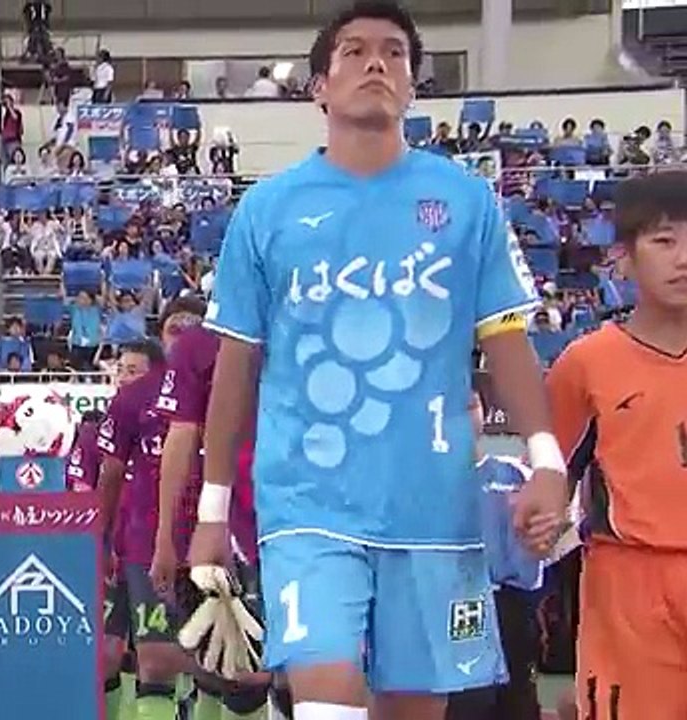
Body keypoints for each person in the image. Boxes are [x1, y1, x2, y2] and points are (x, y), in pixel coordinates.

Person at [189, 4, 569, 720]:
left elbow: (505, 338)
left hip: (431, 505)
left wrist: (545, 461)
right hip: (307, 502)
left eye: (394, 53)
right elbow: (236, 365)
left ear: (413, 85)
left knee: (413, 707)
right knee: (327, 693)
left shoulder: (466, 202)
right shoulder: (266, 211)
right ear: (319, 88)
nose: (376, 63)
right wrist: (213, 510)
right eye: (355, 51)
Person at [545, 171, 687, 720]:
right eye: (664, 240)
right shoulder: (587, 364)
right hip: (631, 589)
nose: (683, 259)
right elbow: (550, 479)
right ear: (622, 258)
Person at [98, 298, 239, 720]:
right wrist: (104, 539)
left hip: (225, 537)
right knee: (156, 661)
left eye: (192, 325)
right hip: (149, 542)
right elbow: (111, 473)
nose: (184, 334)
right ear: (161, 334)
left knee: (231, 667)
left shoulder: (234, 382)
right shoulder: (132, 399)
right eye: (175, 326)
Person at [153, 319, 283, 720]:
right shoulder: (199, 345)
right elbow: (181, 436)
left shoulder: (320, 316)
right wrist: (167, 536)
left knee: (324, 659)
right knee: (245, 667)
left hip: (325, 513)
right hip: (242, 524)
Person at [445, 389, 554, 720]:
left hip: (512, 605)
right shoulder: (427, 481)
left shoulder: (515, 474)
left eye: (472, 406)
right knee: (468, 703)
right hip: (458, 605)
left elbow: (549, 535)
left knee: (518, 700)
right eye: (457, 409)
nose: (466, 416)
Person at [95, 338, 164, 720]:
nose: (122, 378)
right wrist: (102, 539)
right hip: (119, 549)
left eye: (132, 371)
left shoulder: (176, 420)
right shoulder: (106, 423)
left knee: (162, 658)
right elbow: (105, 480)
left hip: (155, 547)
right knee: (108, 653)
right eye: (120, 370)